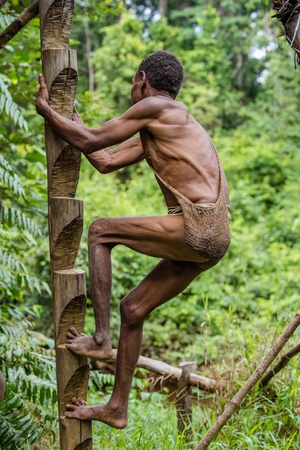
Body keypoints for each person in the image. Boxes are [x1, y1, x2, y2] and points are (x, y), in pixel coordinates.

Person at [35, 50, 231, 429]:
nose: (131, 89)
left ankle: (101, 339)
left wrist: (47, 112)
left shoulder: (156, 107)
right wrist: (70, 118)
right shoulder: (164, 123)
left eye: (131, 82)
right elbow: (104, 158)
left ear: (142, 79)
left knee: (99, 231)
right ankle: (117, 408)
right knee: (135, 309)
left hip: (198, 224)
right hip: (215, 236)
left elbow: (91, 141)